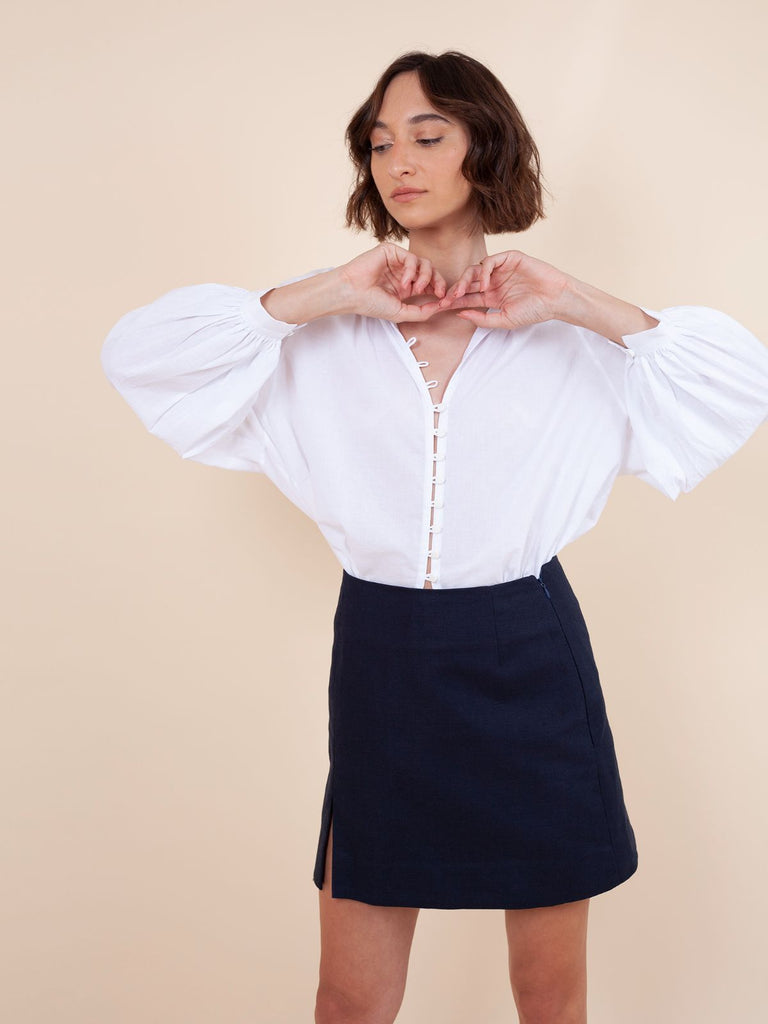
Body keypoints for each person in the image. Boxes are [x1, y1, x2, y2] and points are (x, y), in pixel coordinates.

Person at [101, 49, 768, 1024]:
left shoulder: (566, 336)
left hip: (529, 656)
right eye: (379, 144)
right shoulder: (321, 327)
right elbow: (138, 355)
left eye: (427, 135)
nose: (399, 162)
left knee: (549, 997)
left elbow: (740, 381)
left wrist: (573, 299)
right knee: (350, 999)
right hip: (385, 659)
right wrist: (330, 291)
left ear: (482, 147)